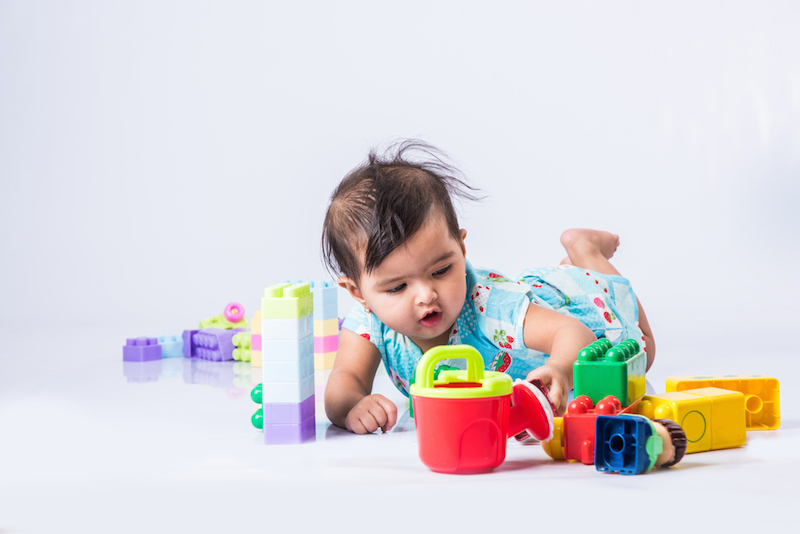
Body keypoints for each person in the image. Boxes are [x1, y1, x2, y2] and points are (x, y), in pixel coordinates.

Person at [321, 140, 655, 434]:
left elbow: (574, 332)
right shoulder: (369, 321)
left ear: (462, 249)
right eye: (397, 288)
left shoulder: (489, 307)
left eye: (441, 269)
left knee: (644, 349)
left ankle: (585, 252)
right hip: (540, 304)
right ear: (358, 293)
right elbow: (344, 382)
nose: (426, 295)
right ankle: (568, 264)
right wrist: (353, 407)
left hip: (589, 311)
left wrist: (558, 369)